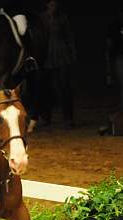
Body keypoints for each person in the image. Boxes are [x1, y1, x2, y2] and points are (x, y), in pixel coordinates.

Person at [43, 0, 76, 129]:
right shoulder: (43, 18)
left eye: (55, 4)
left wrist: (72, 54)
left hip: (62, 56)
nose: (53, 6)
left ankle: (68, 118)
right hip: (46, 56)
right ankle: (46, 117)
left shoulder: (62, 18)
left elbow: (69, 36)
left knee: (64, 87)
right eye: (50, 3)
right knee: (47, 88)